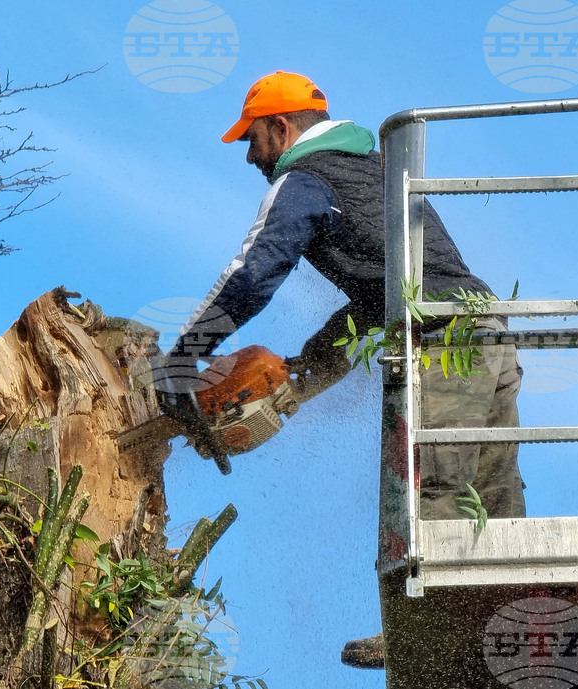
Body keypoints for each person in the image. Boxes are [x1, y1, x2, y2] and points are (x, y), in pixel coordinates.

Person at [161, 71, 526, 668]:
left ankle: (420, 629)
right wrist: (306, 375)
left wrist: (183, 355)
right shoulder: (378, 168)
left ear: (281, 128)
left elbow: (255, 272)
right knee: (491, 493)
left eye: (251, 139)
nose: (250, 156)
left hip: (442, 347)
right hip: (487, 333)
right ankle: (512, 618)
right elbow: (378, 298)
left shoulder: (306, 178)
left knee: (428, 483)